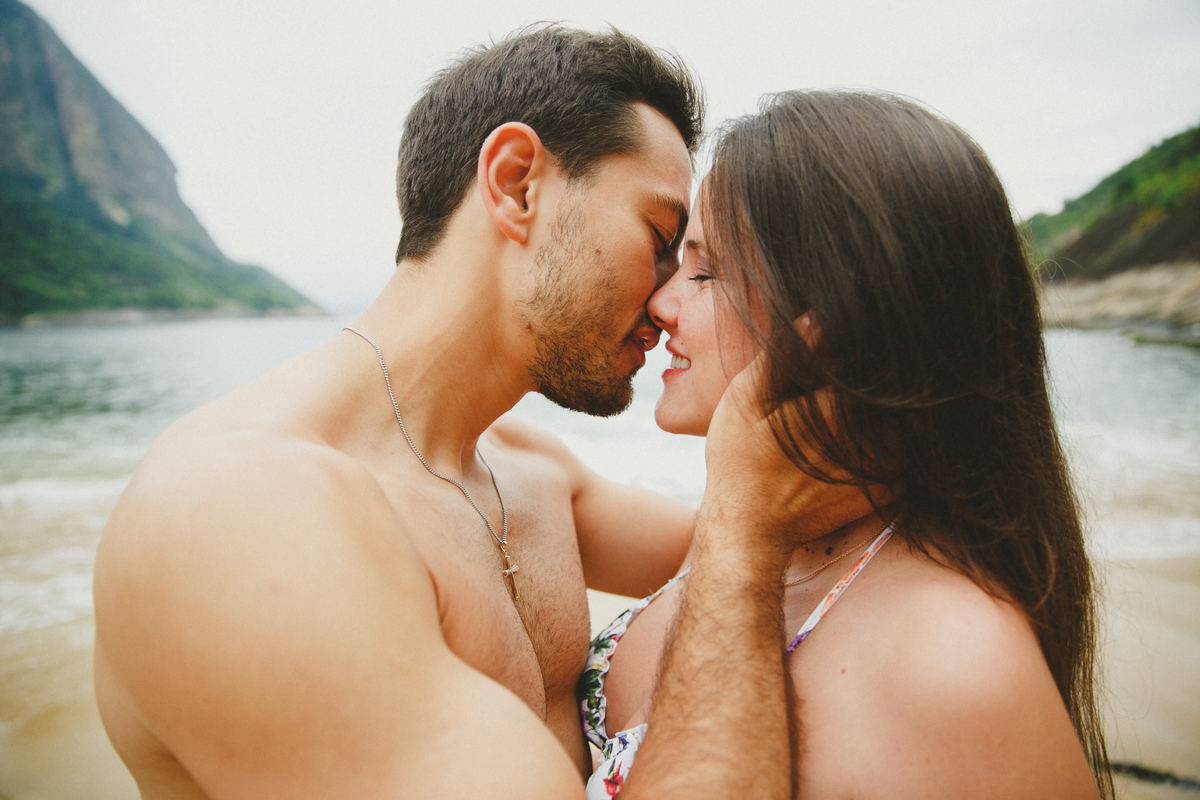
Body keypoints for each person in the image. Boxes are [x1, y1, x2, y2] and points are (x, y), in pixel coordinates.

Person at [94, 26, 860, 798]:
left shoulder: (530, 471)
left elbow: (811, 540)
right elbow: (741, 542)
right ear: (518, 183)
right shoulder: (244, 515)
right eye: (660, 237)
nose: (667, 300)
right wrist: (740, 526)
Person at [579, 90, 1113, 798]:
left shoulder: (957, 662)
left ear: (836, 322)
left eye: (706, 273)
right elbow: (532, 487)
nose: (662, 302)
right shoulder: (760, 531)